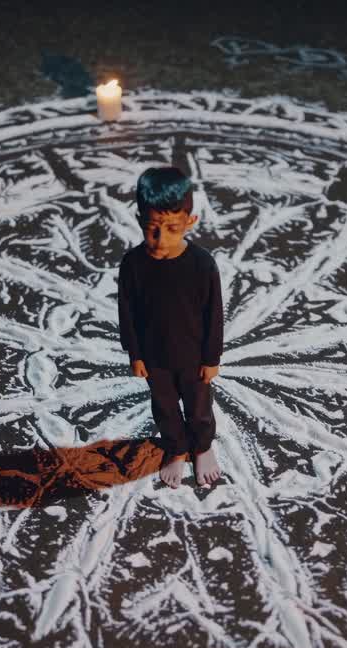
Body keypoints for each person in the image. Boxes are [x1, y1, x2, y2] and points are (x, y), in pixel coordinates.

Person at [117, 167, 224, 489]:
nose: (160, 239)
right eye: (152, 228)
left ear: (190, 221)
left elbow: (214, 315)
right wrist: (135, 354)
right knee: (164, 408)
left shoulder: (202, 264)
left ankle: (202, 447)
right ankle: (177, 449)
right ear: (138, 219)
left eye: (171, 228)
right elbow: (127, 312)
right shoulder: (133, 264)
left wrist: (212, 358)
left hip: (193, 358)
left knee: (199, 408)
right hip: (154, 358)